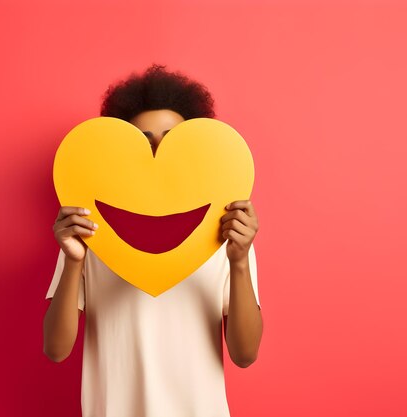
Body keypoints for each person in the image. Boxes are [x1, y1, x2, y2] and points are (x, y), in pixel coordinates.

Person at [43, 64, 263, 417]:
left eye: (172, 140)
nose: (159, 154)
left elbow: (245, 354)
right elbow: (56, 349)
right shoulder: (92, 233)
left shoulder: (225, 234)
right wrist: (73, 261)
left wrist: (239, 261)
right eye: (144, 142)